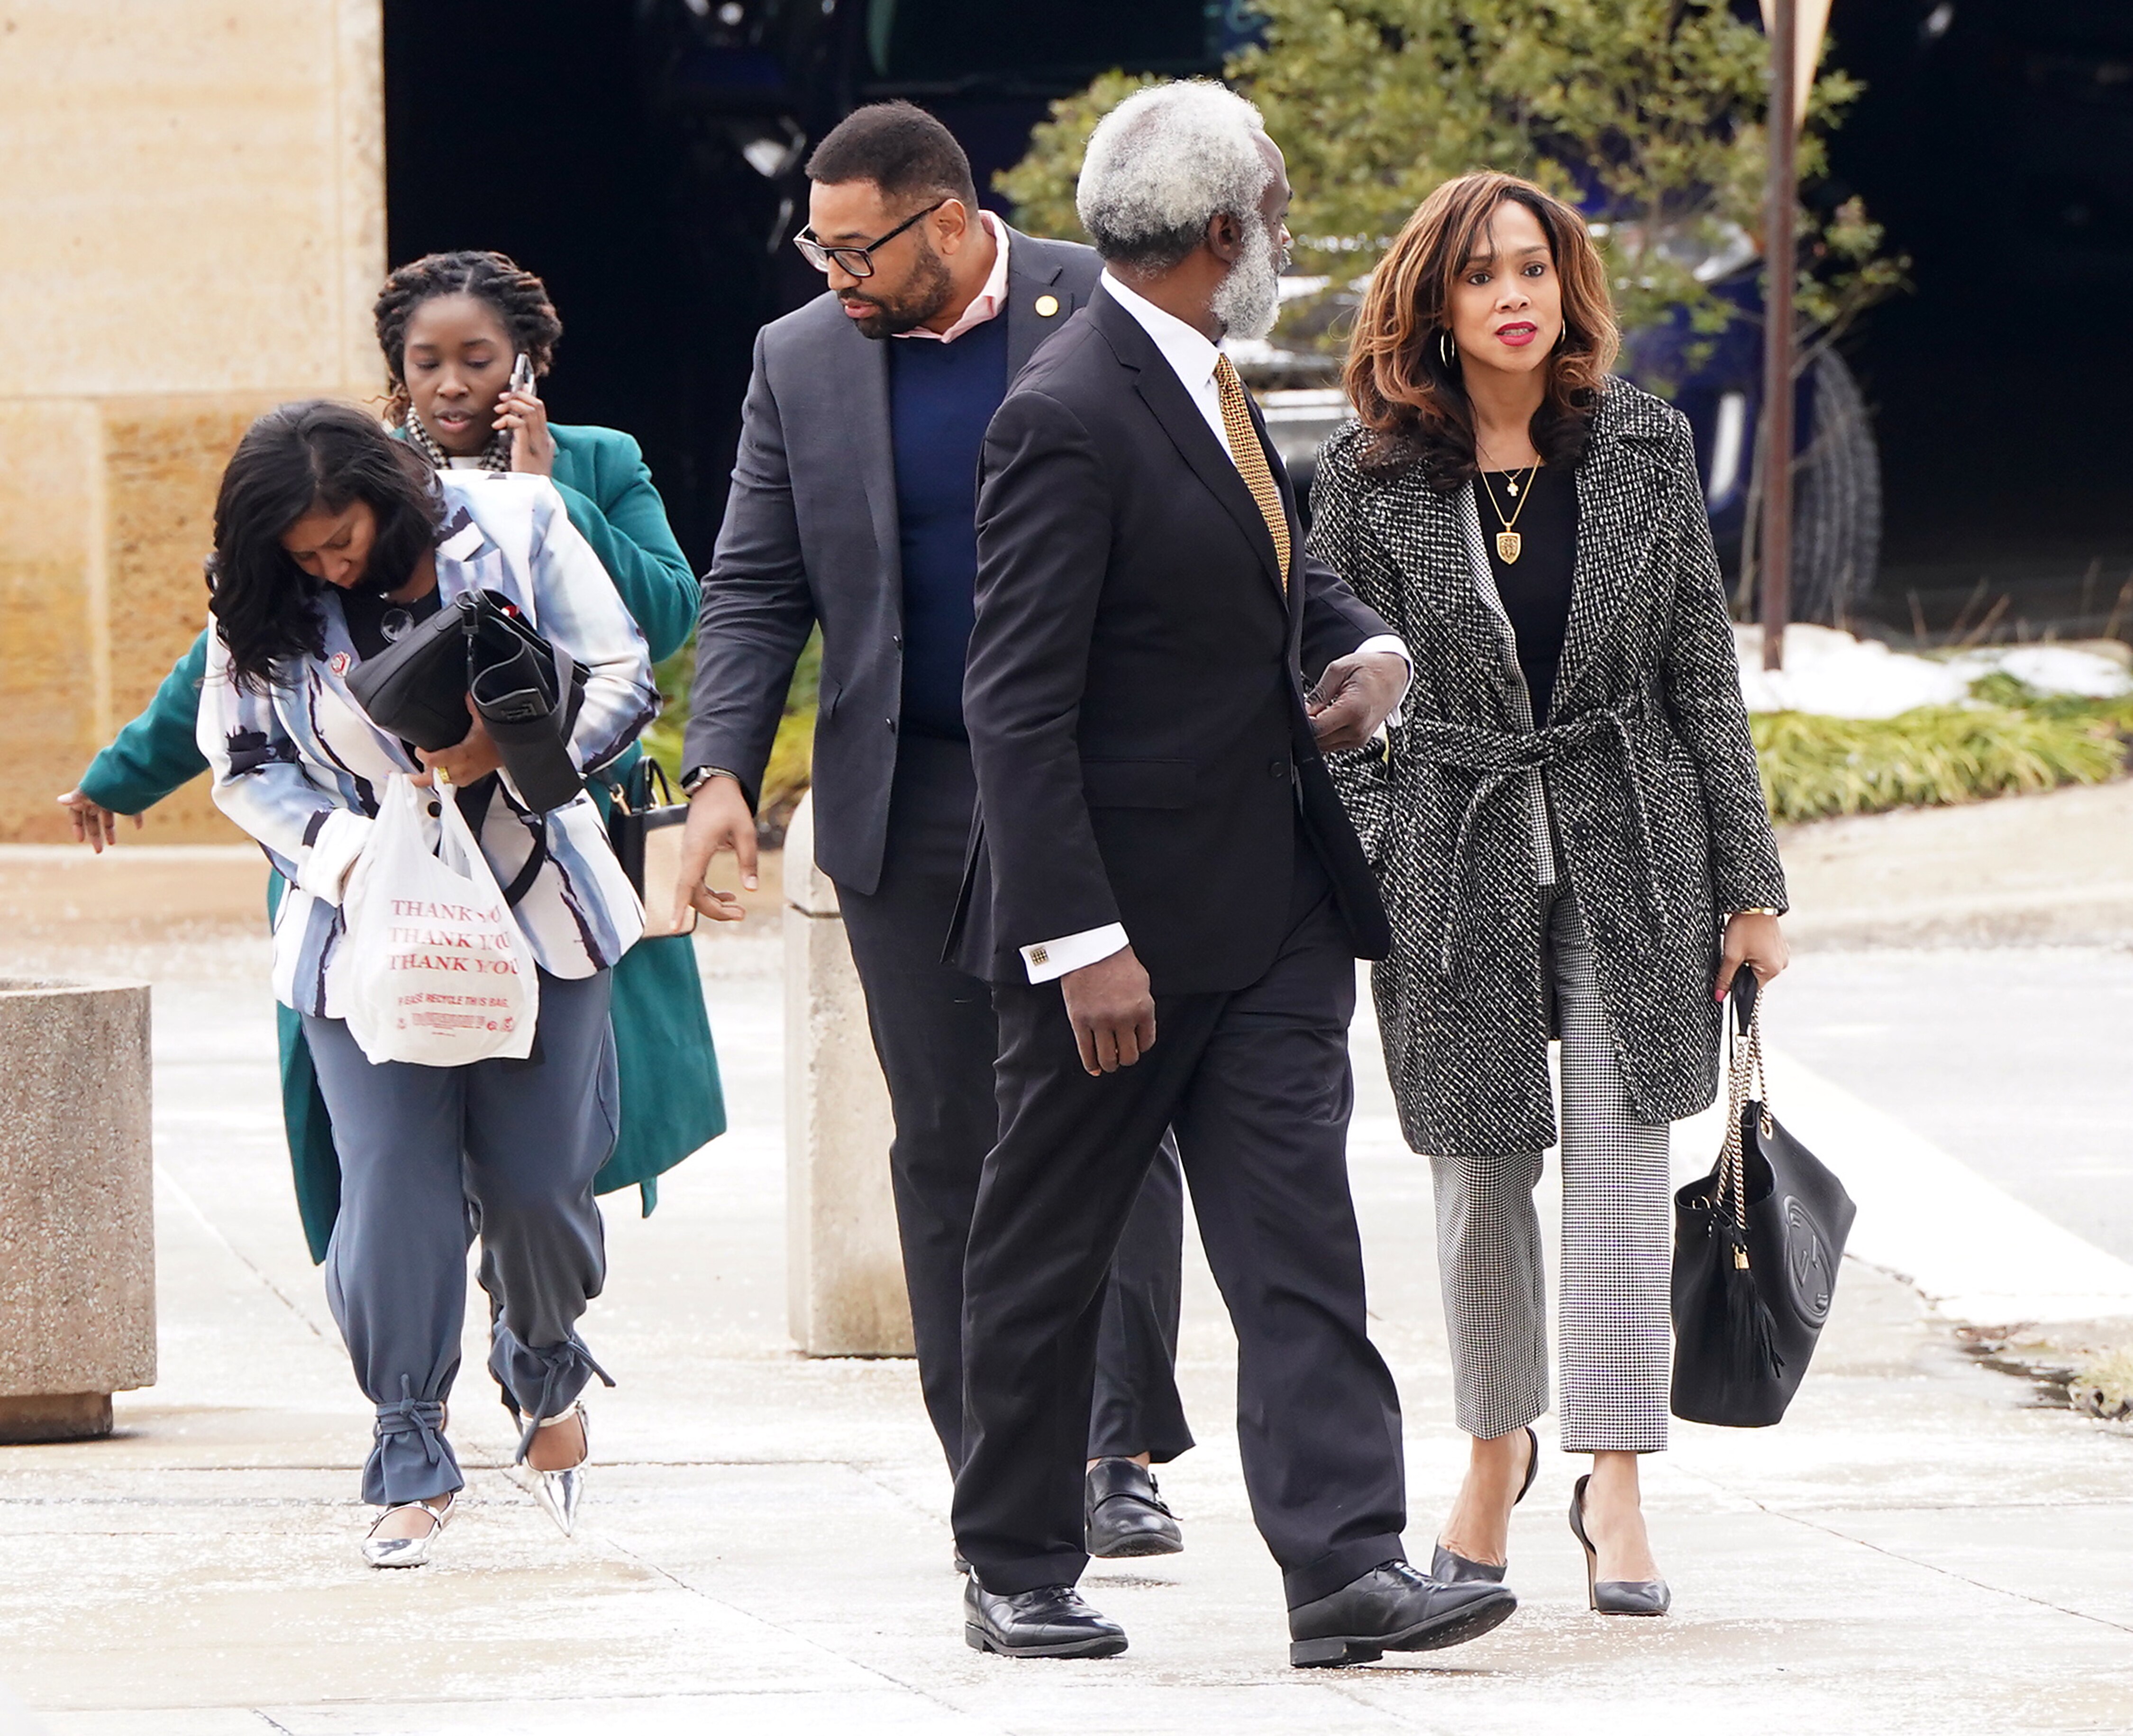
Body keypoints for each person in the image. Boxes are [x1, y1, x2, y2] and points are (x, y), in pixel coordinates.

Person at [945, 81, 1517, 1667]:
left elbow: (1274, 571)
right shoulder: (1065, 411)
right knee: (1049, 1249)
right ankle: (1012, 1562)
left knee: (1297, 1244)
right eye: (1273, 204)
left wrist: (1372, 649)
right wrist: (1079, 938)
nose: (1284, 223)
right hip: (1116, 937)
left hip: (1270, 907)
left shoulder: (1204, 374)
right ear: (1219, 232)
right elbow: (1015, 702)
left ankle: (1344, 1567)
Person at [677, 101, 1194, 1559]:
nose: (832, 275)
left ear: (951, 222)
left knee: (1108, 1109)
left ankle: (1115, 1447)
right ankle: (995, 1461)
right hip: (905, 804)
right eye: (817, 247)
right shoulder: (799, 360)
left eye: (856, 248)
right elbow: (755, 584)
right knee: (950, 1139)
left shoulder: (1108, 309)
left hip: (1093, 790)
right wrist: (720, 772)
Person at [1311, 171, 1790, 1618]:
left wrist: (1750, 886)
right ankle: (1492, 1447)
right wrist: (1368, 853)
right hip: (1448, 851)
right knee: (1476, 1170)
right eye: (1480, 275)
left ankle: (1614, 1478)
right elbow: (1326, 697)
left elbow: (1698, 671)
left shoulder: (1641, 443)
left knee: (1625, 1163)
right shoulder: (1364, 476)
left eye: (1531, 268)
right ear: (1433, 303)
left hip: (1631, 837)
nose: (1511, 297)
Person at [58, 250, 724, 1264]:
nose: (451, 384)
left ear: (527, 361)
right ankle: (407, 1326)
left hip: (541, 829)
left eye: (478, 360)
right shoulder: (333, 481)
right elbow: (235, 651)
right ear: (397, 370)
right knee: (386, 1125)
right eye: (426, 363)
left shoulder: (596, 462)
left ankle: (531, 1314)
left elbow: (665, 623)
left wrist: (548, 491)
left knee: (543, 1136)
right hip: (375, 851)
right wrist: (125, 772)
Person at [198, 400, 661, 1564]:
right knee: (394, 1183)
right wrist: (357, 855)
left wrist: (513, 746)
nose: (328, 565)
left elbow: (623, 675)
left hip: (542, 907)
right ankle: (408, 1442)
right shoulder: (258, 597)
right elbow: (243, 760)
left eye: (340, 538)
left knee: (539, 1180)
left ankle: (543, 1359)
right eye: (303, 554)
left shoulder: (519, 522)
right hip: (367, 929)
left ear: (383, 497)